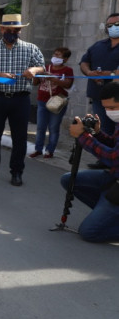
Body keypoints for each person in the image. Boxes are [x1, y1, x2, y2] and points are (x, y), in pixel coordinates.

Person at [0, 13, 44, 186]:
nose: (12, 32)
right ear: (1, 29)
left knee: (19, 138)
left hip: (20, 99)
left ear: (20, 30)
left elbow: (41, 68)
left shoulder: (31, 48)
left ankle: (16, 172)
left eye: (16, 29)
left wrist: (34, 71)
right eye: (9, 29)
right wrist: (1, 75)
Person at [61, 81, 119, 242]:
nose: (109, 112)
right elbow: (115, 145)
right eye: (106, 108)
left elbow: (113, 158)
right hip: (114, 178)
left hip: (115, 174)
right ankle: (107, 214)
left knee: (89, 232)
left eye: (112, 108)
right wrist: (97, 133)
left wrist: (82, 136)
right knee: (69, 180)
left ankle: (107, 216)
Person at [80, 13, 119, 170]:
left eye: (117, 24)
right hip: (98, 97)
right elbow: (84, 62)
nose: (114, 28)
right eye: (110, 25)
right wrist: (90, 73)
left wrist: (109, 74)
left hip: (117, 101)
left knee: (115, 133)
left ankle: (114, 161)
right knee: (102, 130)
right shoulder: (97, 46)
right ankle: (103, 161)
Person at [30, 47, 74, 158]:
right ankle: (38, 149)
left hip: (57, 102)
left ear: (65, 59)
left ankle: (50, 150)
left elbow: (67, 84)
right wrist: (36, 75)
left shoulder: (67, 70)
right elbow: (35, 83)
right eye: (55, 54)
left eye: (59, 55)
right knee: (40, 127)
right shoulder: (45, 67)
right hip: (42, 100)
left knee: (54, 127)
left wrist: (52, 78)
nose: (55, 57)